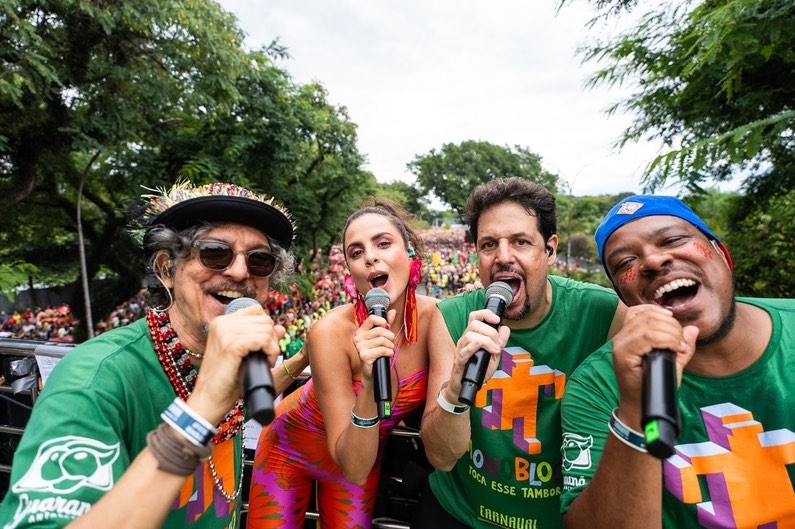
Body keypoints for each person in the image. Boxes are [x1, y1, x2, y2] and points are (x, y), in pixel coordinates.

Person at [0, 181, 309, 529]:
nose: (240, 272)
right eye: (215, 253)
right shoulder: (93, 379)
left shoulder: (228, 365)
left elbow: (244, 403)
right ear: (166, 269)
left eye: (260, 260)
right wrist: (201, 410)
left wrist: (300, 360)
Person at [560, 195, 795, 528]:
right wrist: (636, 412)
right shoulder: (597, 385)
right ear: (624, 299)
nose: (653, 261)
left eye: (672, 240)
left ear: (723, 256)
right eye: (625, 262)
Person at [414, 177, 627, 529]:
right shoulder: (451, 318)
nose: (503, 257)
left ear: (550, 249)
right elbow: (441, 456)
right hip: (461, 515)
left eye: (521, 242)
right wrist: (455, 391)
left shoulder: (604, 314)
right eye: (488, 244)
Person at [247, 198, 438, 529]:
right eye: (356, 252)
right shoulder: (331, 331)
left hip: (359, 457)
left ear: (409, 251)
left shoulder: (439, 318)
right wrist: (367, 380)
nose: (371, 257)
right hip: (286, 452)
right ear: (350, 271)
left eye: (383, 243)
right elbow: (251, 401)